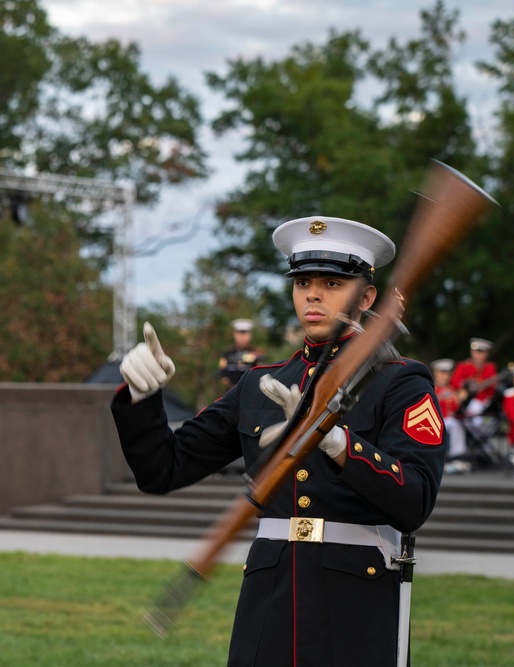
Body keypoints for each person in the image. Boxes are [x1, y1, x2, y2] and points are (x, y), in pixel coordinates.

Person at [112, 215, 446, 666]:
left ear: (367, 297)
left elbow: (415, 499)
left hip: (355, 606)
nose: (312, 293)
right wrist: (142, 396)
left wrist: (335, 443)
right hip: (269, 602)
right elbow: (162, 469)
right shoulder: (261, 384)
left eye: (332, 283)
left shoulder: (400, 382)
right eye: (303, 281)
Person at [432, 358, 469, 473]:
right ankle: (455, 456)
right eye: (442, 373)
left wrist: (459, 398)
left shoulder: (451, 389)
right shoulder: (431, 387)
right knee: (455, 425)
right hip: (435, 419)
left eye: (447, 373)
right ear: (435, 373)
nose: (445, 376)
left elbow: (454, 408)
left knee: (458, 424)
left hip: (448, 419)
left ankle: (457, 457)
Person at [452, 338, 498, 418]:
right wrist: (466, 385)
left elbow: (492, 389)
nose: (478, 355)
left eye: (482, 352)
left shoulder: (490, 367)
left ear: (487, 354)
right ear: (472, 352)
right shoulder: (464, 366)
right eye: (476, 352)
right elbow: (455, 382)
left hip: (484, 401)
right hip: (467, 401)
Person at [218, 319, 264, 389]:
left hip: (249, 390)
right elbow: (222, 371)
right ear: (235, 335)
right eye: (239, 334)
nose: (242, 337)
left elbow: (260, 371)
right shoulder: (228, 353)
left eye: (245, 334)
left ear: (250, 335)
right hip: (231, 391)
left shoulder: (255, 352)